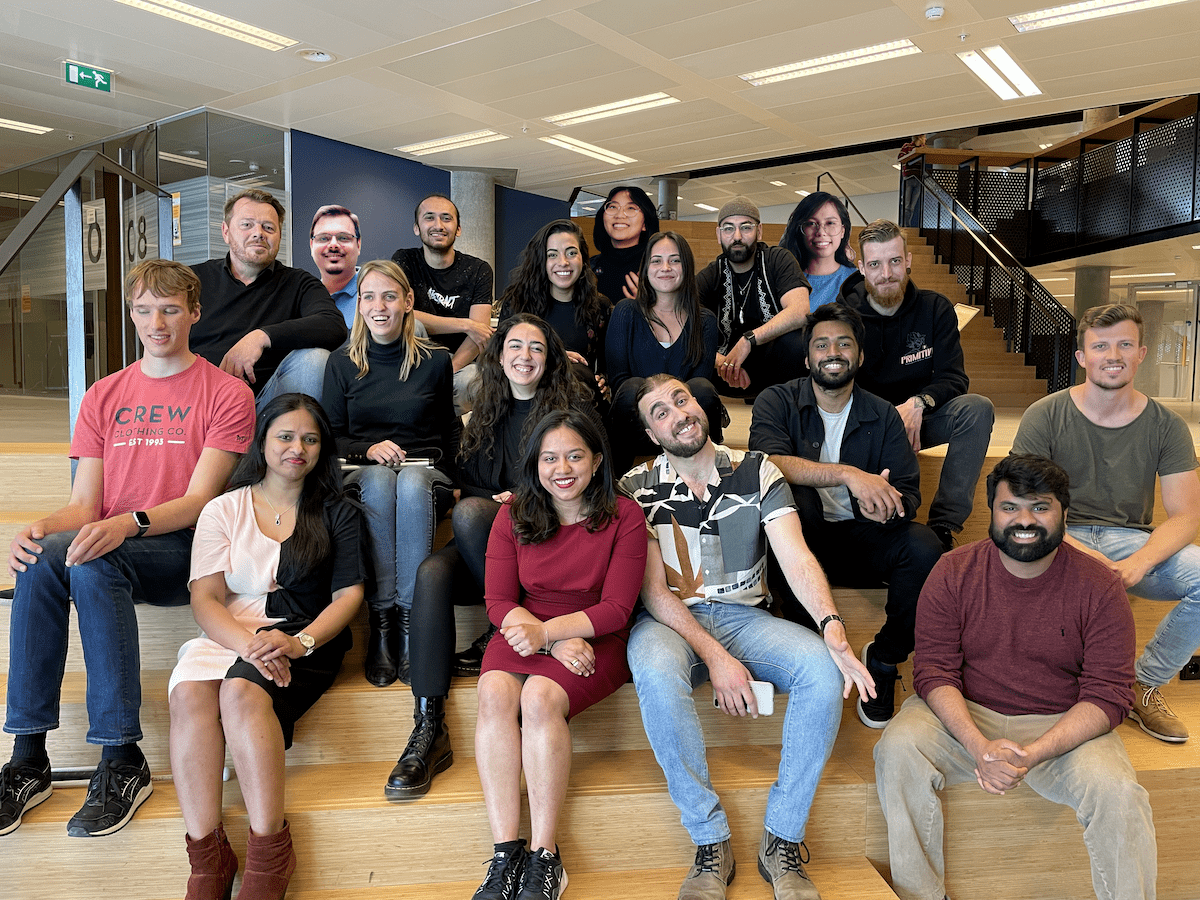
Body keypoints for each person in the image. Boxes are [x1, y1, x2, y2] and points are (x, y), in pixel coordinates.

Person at [1, 259, 255, 838]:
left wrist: (128, 523)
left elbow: (199, 501)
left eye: (169, 309)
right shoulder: (103, 394)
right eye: (143, 310)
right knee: (46, 558)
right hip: (113, 545)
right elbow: (84, 507)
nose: (156, 322)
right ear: (131, 315)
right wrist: (38, 527)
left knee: (94, 560)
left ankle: (120, 756)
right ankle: (28, 756)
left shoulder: (227, 393)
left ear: (193, 312)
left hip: (187, 548)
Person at [621, 374, 873, 900]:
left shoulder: (758, 469)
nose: (678, 414)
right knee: (652, 669)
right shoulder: (636, 486)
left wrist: (831, 625)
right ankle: (709, 841)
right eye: (660, 412)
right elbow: (653, 595)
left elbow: (796, 556)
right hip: (671, 623)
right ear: (651, 433)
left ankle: (781, 839)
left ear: (699, 405)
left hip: (745, 619)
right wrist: (715, 657)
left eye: (682, 400)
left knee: (823, 671)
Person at [873, 454, 1156, 900]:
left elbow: (1108, 693)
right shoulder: (952, 572)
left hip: (1062, 724)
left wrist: (1037, 752)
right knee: (898, 748)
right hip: (966, 715)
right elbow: (934, 671)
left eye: (1039, 507)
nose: (1024, 520)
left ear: (1064, 511)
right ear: (992, 512)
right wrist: (979, 747)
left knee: (1119, 793)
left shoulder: (1099, 586)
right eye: (1010, 507)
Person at [387, 314, 594, 801]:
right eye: (514, 346)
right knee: (433, 571)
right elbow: (466, 486)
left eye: (537, 348)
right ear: (498, 356)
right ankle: (428, 723)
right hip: (493, 546)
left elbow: (584, 486)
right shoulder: (482, 414)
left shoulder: (568, 418)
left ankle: (510, 628)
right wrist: (498, 502)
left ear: (551, 358)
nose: (525, 356)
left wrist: (519, 502)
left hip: (547, 546)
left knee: (474, 515)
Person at [168, 393, 366, 900]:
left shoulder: (337, 512)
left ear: (323, 448)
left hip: (305, 637)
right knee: (190, 695)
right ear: (262, 440)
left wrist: (297, 643)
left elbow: (349, 596)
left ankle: (269, 849)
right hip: (231, 631)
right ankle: (206, 856)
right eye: (285, 435)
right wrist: (250, 645)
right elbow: (205, 598)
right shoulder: (222, 509)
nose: (296, 447)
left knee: (238, 694)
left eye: (310, 438)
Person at [471, 409, 646, 900]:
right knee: (493, 691)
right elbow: (498, 602)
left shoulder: (624, 516)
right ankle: (505, 852)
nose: (562, 469)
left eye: (574, 456)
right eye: (550, 458)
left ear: (596, 460)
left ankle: (546, 857)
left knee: (541, 698)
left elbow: (616, 609)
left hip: (596, 638)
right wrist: (546, 637)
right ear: (535, 463)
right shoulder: (514, 513)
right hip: (526, 631)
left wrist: (554, 633)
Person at [1012, 303, 1200, 744]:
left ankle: (1143, 684)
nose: (1112, 355)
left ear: (1142, 353)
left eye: (1124, 344)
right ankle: (1047, 689)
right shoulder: (1045, 414)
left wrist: (1138, 562)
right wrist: (1083, 554)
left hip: (1131, 541)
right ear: (1082, 357)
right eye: (1100, 346)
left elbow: (1187, 516)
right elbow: (1023, 505)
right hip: (1057, 537)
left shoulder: (1167, 426)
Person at [749, 303, 943, 729]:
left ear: (859, 356)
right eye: (821, 344)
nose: (832, 351)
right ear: (807, 358)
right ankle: (813, 648)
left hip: (864, 539)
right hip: (802, 541)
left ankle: (886, 658)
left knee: (925, 545)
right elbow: (765, 464)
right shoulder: (776, 400)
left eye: (843, 343)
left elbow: (908, 495)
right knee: (788, 496)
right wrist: (849, 476)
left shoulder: (884, 414)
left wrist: (887, 507)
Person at [321, 260, 459, 687]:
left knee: (413, 481)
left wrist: (456, 481)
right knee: (382, 480)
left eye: (389, 295)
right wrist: (369, 449)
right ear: (358, 305)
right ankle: (382, 624)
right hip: (363, 474)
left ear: (407, 302)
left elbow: (450, 429)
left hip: (423, 473)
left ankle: (410, 625)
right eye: (369, 296)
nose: (379, 306)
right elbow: (330, 438)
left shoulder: (436, 361)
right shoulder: (342, 363)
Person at [838, 219, 994, 551]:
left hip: (920, 420)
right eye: (876, 264)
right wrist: (886, 418)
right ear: (862, 266)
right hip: (865, 427)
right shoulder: (842, 318)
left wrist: (918, 403)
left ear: (908, 260)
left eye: (895, 261)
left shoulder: (935, 308)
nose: (887, 273)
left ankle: (943, 526)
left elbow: (954, 378)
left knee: (977, 409)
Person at [190, 188, 348, 411]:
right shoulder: (192, 280)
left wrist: (261, 337)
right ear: (226, 232)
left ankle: (290, 442)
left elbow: (333, 324)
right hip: (202, 402)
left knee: (315, 359)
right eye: (247, 224)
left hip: (270, 408)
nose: (259, 233)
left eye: (268, 227)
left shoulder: (298, 282)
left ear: (279, 236)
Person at [605, 231, 724, 474]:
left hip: (685, 426)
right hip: (638, 424)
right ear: (646, 268)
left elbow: (697, 389)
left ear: (687, 266)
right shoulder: (626, 312)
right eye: (656, 260)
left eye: (675, 260)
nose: (665, 267)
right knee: (630, 388)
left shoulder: (705, 321)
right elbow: (618, 383)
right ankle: (612, 483)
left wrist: (672, 409)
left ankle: (715, 472)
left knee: (702, 388)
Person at [696, 197, 811, 394]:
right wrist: (723, 363)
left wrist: (749, 339)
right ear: (719, 234)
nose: (737, 236)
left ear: (759, 231)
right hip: (726, 373)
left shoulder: (779, 260)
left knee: (797, 343)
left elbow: (800, 311)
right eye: (728, 228)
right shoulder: (711, 274)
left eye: (746, 227)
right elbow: (681, 327)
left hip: (775, 372)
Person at [393, 193, 495, 415]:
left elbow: (480, 333)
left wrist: (449, 370)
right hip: (414, 361)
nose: (438, 225)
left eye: (446, 218)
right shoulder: (404, 261)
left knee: (472, 383)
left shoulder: (479, 270)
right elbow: (402, 316)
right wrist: (464, 324)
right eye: (429, 217)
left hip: (460, 363)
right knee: (415, 325)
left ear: (458, 229)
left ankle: (440, 426)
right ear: (416, 227)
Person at [498, 219, 610, 405]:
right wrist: (555, 356)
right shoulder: (517, 302)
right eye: (552, 255)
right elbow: (500, 357)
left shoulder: (600, 306)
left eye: (572, 253)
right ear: (542, 260)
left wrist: (605, 380)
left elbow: (605, 365)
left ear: (583, 258)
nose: (563, 262)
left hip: (580, 402)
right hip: (526, 396)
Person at [779, 192, 856, 311]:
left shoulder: (856, 281)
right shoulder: (783, 279)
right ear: (800, 230)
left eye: (830, 223)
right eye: (811, 224)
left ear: (842, 231)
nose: (821, 232)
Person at [589, 185, 660, 304]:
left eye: (631, 208)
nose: (619, 215)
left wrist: (649, 307)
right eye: (613, 206)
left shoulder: (657, 267)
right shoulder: (590, 267)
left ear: (645, 224)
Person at [309, 204, 362, 327]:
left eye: (343, 238)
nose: (333, 245)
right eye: (323, 238)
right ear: (312, 245)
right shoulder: (304, 298)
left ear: (358, 245)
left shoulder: (376, 295)